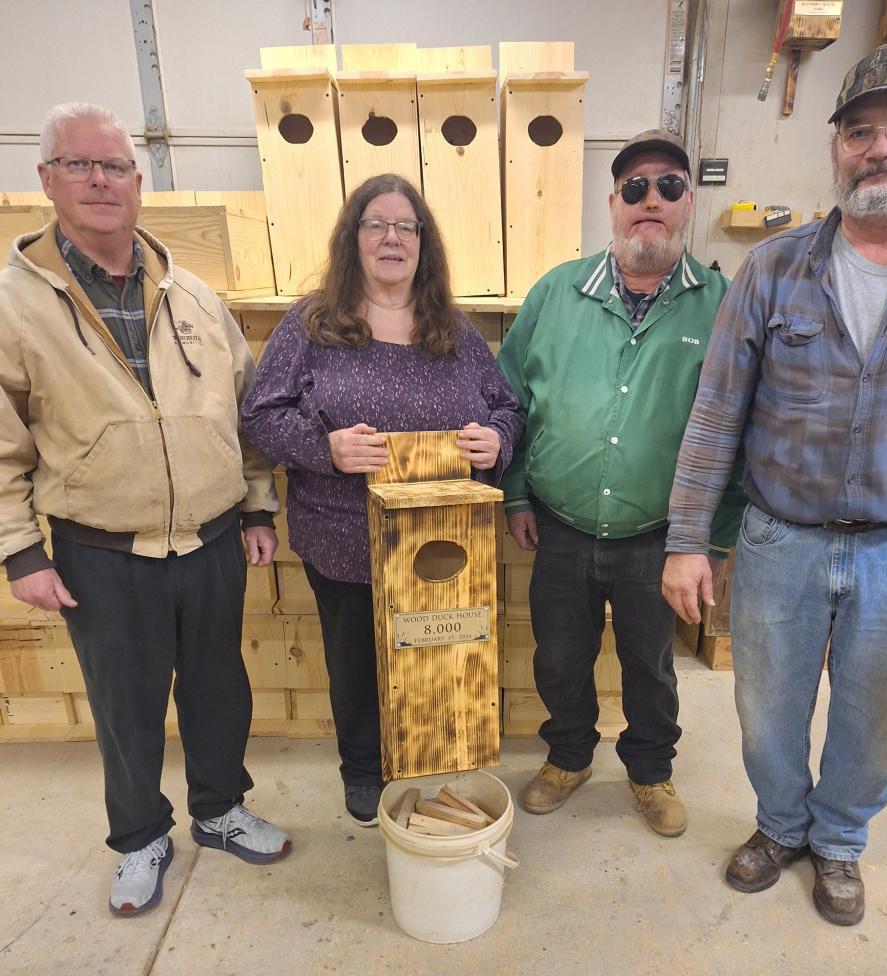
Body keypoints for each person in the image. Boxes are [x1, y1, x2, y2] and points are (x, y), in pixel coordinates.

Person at [662, 45, 887, 925]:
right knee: (765, 708)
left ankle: (838, 842)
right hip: (779, 537)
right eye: (860, 132)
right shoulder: (773, 268)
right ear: (836, 148)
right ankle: (781, 824)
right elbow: (716, 413)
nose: (880, 149)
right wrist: (686, 540)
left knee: (879, 716)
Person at [0, 103, 291, 917]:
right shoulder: (14, 305)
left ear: (138, 181)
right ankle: (138, 838)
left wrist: (260, 509)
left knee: (218, 688)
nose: (100, 180)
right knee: (124, 706)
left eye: (115, 166)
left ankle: (220, 809)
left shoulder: (195, 295)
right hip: (100, 549)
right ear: (47, 180)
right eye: (79, 164)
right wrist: (21, 552)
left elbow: (247, 413)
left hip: (213, 538)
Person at [241, 173, 523, 827]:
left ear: (423, 244)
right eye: (377, 224)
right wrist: (327, 447)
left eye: (406, 227)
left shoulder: (451, 330)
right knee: (358, 663)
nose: (392, 237)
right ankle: (364, 769)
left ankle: (429, 761)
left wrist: (495, 442)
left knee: (436, 653)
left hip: (444, 544)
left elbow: (507, 408)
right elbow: (261, 413)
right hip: (346, 538)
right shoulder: (313, 324)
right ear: (354, 238)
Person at [496, 130, 744, 835]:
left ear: (688, 203)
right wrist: (515, 490)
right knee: (560, 653)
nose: (650, 201)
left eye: (668, 187)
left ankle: (649, 771)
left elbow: (740, 429)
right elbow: (508, 399)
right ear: (612, 204)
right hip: (562, 527)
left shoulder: (723, 305)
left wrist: (714, 540)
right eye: (634, 188)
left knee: (651, 663)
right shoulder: (556, 293)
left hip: (660, 537)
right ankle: (568, 756)